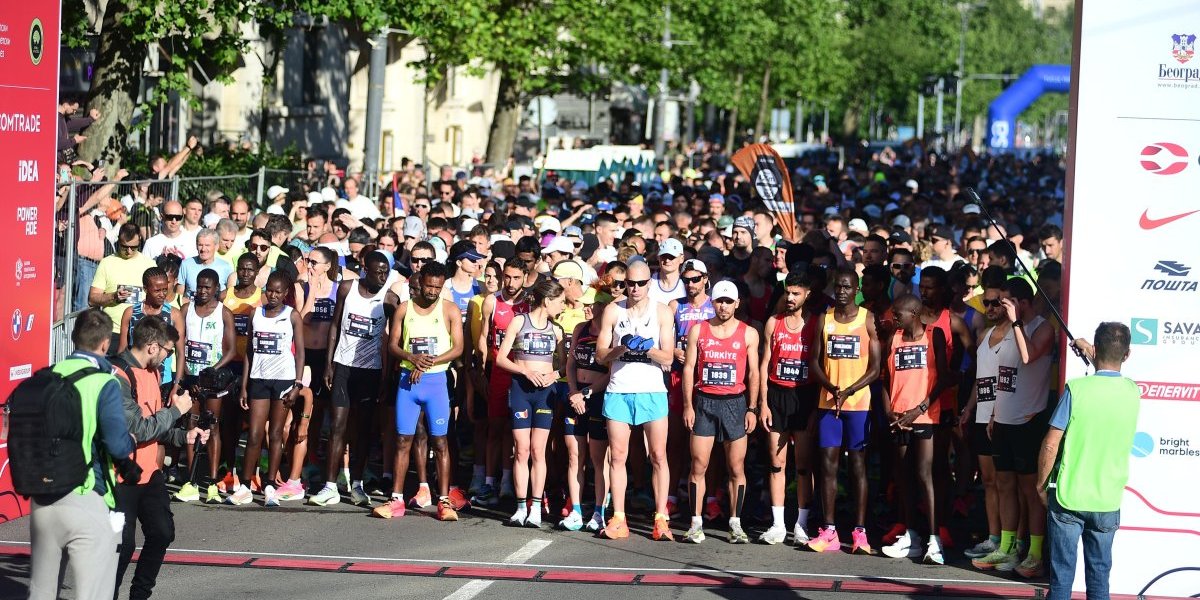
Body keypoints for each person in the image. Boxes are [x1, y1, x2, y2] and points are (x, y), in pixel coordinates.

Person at [27, 309, 136, 600]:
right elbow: (117, 445)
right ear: (105, 345)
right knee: (92, 593)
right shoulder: (104, 382)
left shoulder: (46, 378)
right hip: (86, 494)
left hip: (43, 497)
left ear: (74, 338)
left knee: (41, 592)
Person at [1038, 325, 1139, 600]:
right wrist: (1093, 353)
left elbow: (1050, 442)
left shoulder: (1076, 389)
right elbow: (1108, 372)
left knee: (1061, 581)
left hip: (1069, 496)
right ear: (1127, 355)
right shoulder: (1133, 391)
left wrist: (1041, 484)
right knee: (1099, 581)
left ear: (1094, 349)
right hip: (1107, 500)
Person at [111, 316, 205, 600]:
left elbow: (156, 426)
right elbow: (138, 428)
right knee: (121, 547)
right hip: (120, 477)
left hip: (149, 471)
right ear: (152, 347)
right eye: (167, 350)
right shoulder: (119, 377)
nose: (169, 356)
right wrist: (177, 412)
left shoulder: (152, 372)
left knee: (162, 533)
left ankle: (139, 595)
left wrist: (182, 437)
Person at [972, 278, 1055, 577]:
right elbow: (1002, 375)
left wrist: (1017, 323)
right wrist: (993, 413)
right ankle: (1006, 546)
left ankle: (1033, 552)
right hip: (1003, 419)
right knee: (1005, 485)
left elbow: (1028, 356)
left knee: (1030, 491)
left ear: (1022, 302)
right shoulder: (1008, 328)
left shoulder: (1042, 328)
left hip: (1028, 421)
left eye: (1006, 300)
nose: (1000, 306)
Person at [374, 261, 465, 521]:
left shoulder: (450, 310)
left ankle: (444, 500)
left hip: (436, 382)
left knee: (440, 442)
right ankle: (396, 499)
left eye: (438, 287)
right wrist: (411, 358)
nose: (433, 291)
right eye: (428, 286)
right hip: (408, 381)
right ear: (420, 282)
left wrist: (428, 362)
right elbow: (393, 345)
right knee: (403, 440)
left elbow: (458, 348)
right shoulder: (404, 309)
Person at [595, 258, 676, 541]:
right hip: (619, 390)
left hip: (652, 391)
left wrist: (648, 349)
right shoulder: (612, 311)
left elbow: (669, 356)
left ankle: (661, 517)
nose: (636, 288)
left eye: (641, 283)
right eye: (631, 283)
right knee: (617, 456)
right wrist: (621, 347)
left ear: (649, 284)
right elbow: (600, 354)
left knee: (658, 456)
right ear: (624, 283)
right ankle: (618, 517)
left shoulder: (663, 312)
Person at [311, 251, 399, 506]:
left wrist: (386, 375)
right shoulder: (346, 289)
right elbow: (335, 326)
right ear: (365, 270)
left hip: (371, 372)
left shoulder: (389, 300)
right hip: (343, 367)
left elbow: (393, 340)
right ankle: (330, 486)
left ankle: (358, 484)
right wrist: (329, 365)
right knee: (337, 427)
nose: (382, 277)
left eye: (386, 272)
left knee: (362, 431)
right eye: (378, 272)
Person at [680, 280, 761, 544]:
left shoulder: (748, 333)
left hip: (735, 404)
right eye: (719, 301)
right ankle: (695, 522)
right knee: (699, 464)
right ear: (712, 303)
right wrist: (688, 405)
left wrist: (752, 408)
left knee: (736, 466)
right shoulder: (698, 330)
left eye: (728, 301)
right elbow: (689, 368)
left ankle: (735, 523)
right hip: (705, 402)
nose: (723, 306)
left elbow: (753, 373)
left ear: (737, 303)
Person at [808, 268, 881, 555]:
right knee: (827, 465)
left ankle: (860, 532)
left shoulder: (868, 319)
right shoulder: (824, 319)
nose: (841, 291)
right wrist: (831, 386)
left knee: (858, 466)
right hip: (829, 401)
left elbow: (876, 368)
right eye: (838, 286)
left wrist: (850, 390)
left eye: (847, 287)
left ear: (856, 289)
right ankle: (829, 530)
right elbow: (813, 362)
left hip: (858, 403)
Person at [879, 294, 951, 564]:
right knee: (904, 478)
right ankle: (912, 536)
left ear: (915, 312)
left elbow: (944, 378)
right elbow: (885, 380)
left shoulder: (935, 336)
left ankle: (934, 540)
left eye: (899, 314)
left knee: (924, 475)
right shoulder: (894, 338)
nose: (895, 318)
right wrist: (889, 410)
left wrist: (919, 409)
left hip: (924, 416)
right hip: (898, 418)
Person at [495, 278, 567, 528]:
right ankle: (519, 506)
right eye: (560, 301)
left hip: (545, 394)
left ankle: (536, 506)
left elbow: (564, 366)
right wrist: (525, 372)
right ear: (547, 301)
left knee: (539, 450)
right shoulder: (519, 321)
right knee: (521, 449)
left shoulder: (556, 329)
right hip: (520, 390)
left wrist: (553, 375)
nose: (564, 306)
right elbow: (501, 359)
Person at [229, 271, 305, 506]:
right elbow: (249, 352)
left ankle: (270, 485)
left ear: (285, 294)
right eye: (269, 290)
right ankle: (245, 485)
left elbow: (300, 352)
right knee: (254, 434)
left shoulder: (292, 316)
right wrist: (244, 386)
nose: (272, 295)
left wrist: (297, 385)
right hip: (258, 380)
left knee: (275, 434)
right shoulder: (256, 314)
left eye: (278, 291)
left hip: (283, 380)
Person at [758, 271, 820, 545]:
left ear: (807, 295)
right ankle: (778, 524)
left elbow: (822, 366)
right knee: (776, 462)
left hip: (804, 396)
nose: (791, 297)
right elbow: (763, 365)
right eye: (788, 292)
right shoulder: (774, 322)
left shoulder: (816, 323)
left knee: (804, 466)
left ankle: (802, 524)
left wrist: (817, 407)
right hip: (777, 394)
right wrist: (762, 403)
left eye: (796, 293)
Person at [174, 268, 235, 502]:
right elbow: (179, 346)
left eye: (207, 287)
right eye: (199, 286)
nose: (202, 291)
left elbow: (230, 351)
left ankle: (210, 483)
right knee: (191, 425)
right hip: (191, 379)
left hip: (214, 380)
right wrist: (189, 375)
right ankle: (191, 481)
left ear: (216, 288)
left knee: (212, 428)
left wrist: (212, 372)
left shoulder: (224, 313)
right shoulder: (186, 309)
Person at [474, 258, 531, 505]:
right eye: (507, 277)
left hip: (521, 373)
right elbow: (483, 338)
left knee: (515, 430)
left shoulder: (529, 303)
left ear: (525, 277)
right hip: (497, 372)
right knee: (495, 427)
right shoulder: (491, 301)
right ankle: (488, 482)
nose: (510, 282)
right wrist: (481, 372)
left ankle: (508, 481)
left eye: (516, 277)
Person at [565, 279, 617, 532]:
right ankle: (575, 510)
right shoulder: (580, 328)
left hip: (596, 398)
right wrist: (574, 391)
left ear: (603, 308)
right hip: (576, 398)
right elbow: (571, 363)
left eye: (591, 304)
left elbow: (611, 372)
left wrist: (586, 392)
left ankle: (598, 511)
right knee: (575, 455)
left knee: (599, 459)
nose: (585, 307)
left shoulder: (610, 334)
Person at [667, 259, 715, 517]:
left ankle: (711, 499)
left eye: (696, 279)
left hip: (707, 378)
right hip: (678, 377)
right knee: (675, 440)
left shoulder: (716, 304)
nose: (690, 284)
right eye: (686, 280)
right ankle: (672, 496)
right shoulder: (676, 305)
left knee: (711, 444)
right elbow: (663, 336)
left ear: (706, 279)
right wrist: (673, 349)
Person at [90, 223, 157, 351]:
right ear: (118, 241)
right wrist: (113, 296)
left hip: (140, 333)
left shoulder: (149, 264)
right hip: (112, 332)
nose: (129, 251)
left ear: (140, 241)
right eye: (124, 247)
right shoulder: (107, 263)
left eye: (134, 247)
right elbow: (92, 299)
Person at [178, 229, 233, 300]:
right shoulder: (186, 264)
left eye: (207, 245)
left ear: (216, 247)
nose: (203, 249)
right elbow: (179, 295)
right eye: (200, 245)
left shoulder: (226, 267)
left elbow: (230, 295)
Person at [649, 237, 686, 305]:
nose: (667, 260)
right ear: (658, 257)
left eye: (672, 257)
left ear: (682, 258)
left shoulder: (687, 283)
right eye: (664, 256)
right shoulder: (649, 281)